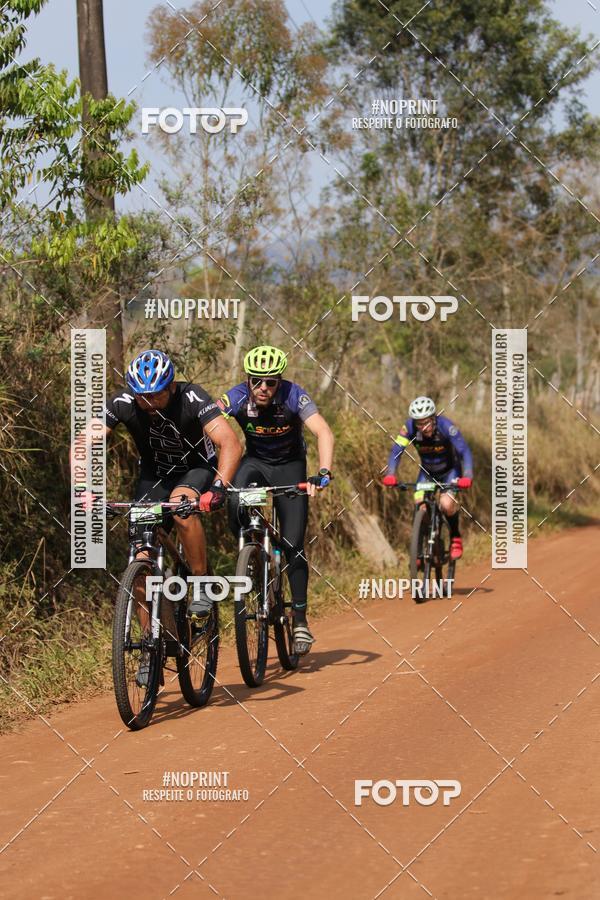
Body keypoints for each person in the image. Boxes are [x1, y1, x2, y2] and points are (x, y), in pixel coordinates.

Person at [70, 349, 242, 685]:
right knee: (141, 560)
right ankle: (152, 647)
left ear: (171, 386)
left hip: (194, 471)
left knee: (181, 507)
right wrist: (82, 489)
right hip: (154, 476)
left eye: (155, 394)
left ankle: (200, 581)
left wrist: (219, 488)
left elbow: (229, 443)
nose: (147, 401)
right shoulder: (121, 402)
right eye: (141, 396)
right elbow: (83, 443)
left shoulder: (193, 397)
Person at [218, 345, 334, 655]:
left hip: (290, 467)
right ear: (248, 379)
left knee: (294, 545)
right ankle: (255, 552)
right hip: (255, 464)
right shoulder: (237, 395)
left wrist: (323, 471)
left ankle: (299, 619)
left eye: (271, 382)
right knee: (233, 499)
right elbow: (210, 421)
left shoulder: (295, 395)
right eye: (257, 381)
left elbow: (323, 431)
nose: (264, 388)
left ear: (279, 381)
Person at [381, 396, 473, 559]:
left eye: (426, 422)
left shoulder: (446, 426)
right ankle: (418, 551)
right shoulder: (409, 427)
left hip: (450, 471)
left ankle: (455, 538)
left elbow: (464, 451)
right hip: (427, 472)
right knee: (419, 505)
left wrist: (467, 476)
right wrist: (391, 474)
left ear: (434, 418)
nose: (423, 427)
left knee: (445, 504)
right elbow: (396, 451)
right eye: (419, 423)